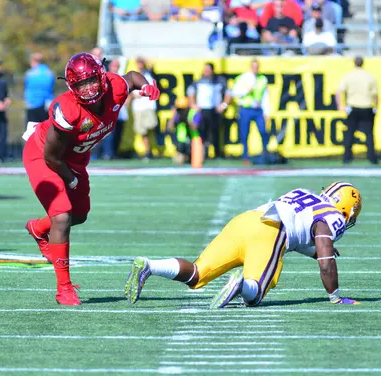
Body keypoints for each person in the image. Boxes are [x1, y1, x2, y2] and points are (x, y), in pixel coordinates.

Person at [22, 52, 160, 306]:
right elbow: (51, 157)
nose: (87, 89)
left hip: (73, 160)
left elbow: (131, 77)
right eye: (80, 84)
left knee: (80, 214)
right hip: (43, 156)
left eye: (91, 81)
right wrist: (70, 180)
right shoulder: (68, 110)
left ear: (101, 77)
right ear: (71, 87)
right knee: (62, 215)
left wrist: (147, 86)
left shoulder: (115, 88)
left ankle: (39, 228)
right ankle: (64, 288)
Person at [126, 182, 362, 308]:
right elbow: (325, 263)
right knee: (254, 294)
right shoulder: (334, 216)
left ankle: (149, 265)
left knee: (197, 274)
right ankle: (241, 285)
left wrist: (313, 251)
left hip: (245, 220)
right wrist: (336, 297)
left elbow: (299, 229)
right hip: (270, 233)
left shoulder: (305, 193)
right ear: (347, 208)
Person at [335, 56, 378, 165]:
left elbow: (339, 92)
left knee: (349, 133)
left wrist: (341, 105)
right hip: (367, 107)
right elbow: (375, 95)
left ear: (354, 63)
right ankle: (372, 158)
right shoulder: (369, 76)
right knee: (369, 134)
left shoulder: (349, 76)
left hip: (353, 107)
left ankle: (347, 158)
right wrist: (375, 106)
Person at [231, 59, 270, 165]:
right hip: (246, 109)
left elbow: (265, 96)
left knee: (263, 131)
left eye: (257, 67)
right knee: (244, 133)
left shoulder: (262, 79)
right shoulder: (243, 78)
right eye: (254, 67)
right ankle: (246, 156)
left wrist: (267, 112)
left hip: (258, 110)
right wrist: (246, 91)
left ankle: (265, 153)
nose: (255, 69)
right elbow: (234, 93)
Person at [24, 52, 54, 123]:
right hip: (47, 104)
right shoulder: (49, 73)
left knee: (32, 129)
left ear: (33, 61)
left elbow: (26, 86)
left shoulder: (29, 74)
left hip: (32, 104)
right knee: (46, 129)